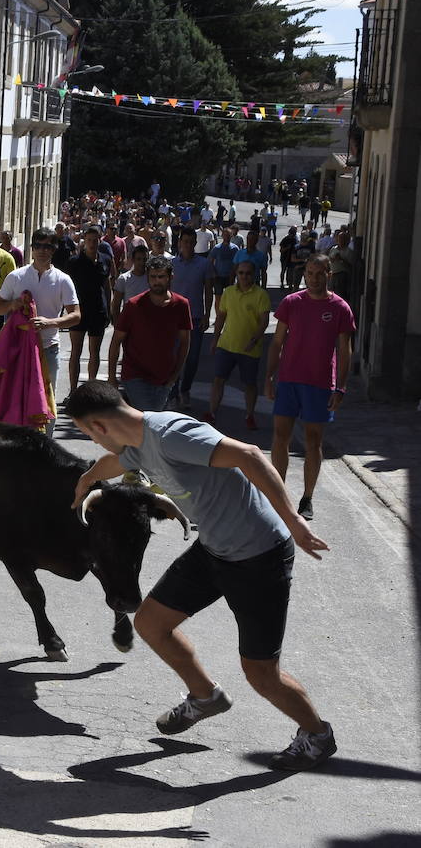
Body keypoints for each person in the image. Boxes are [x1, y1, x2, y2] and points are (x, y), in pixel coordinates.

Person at [66, 380, 337, 772]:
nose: (91, 443)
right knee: (151, 623)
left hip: (259, 556)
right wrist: (87, 477)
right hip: (213, 549)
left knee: (261, 674)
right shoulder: (136, 443)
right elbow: (118, 462)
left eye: (86, 434)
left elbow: (248, 455)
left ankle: (317, 733)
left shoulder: (174, 434)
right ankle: (205, 696)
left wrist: (293, 520)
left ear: (100, 427)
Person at [265, 254, 354, 521]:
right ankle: (277, 494)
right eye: (310, 273)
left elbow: (345, 350)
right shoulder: (292, 303)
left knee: (313, 441)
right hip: (289, 380)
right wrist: (269, 376)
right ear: (304, 275)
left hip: (320, 384)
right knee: (281, 436)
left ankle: (307, 498)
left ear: (330, 274)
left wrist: (341, 387)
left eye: (320, 273)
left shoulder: (340, 308)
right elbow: (277, 342)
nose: (314, 278)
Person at [0, 228, 79, 434]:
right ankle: (14, 447)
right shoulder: (16, 276)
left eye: (47, 246)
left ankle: (44, 449)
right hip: (17, 349)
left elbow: (76, 315)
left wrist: (50, 322)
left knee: (45, 401)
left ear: (54, 249)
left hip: (48, 350)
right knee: (15, 397)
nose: (42, 250)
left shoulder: (63, 279)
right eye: (38, 245)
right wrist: (12, 304)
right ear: (32, 248)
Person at [108, 256, 191, 413]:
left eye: (161, 277)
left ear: (170, 277)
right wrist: (112, 377)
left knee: (149, 427)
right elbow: (116, 341)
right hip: (135, 376)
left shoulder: (181, 305)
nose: (156, 281)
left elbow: (185, 342)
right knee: (150, 420)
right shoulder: (134, 305)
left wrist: (174, 376)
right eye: (153, 277)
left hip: (164, 378)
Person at [207, 261, 271, 430]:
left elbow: (264, 321)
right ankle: (212, 413)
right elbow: (220, 317)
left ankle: (250, 415)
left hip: (250, 350)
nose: (244, 276)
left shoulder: (261, 295)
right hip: (226, 345)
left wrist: (254, 339)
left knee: (250, 384)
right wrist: (215, 340)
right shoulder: (228, 292)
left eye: (247, 273)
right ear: (236, 274)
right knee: (218, 380)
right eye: (241, 273)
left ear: (253, 274)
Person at [64, 225, 113, 401]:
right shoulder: (74, 262)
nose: (92, 243)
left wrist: (110, 308)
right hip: (79, 311)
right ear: (84, 240)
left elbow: (107, 285)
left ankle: (91, 391)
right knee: (76, 351)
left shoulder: (106, 259)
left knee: (95, 352)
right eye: (89, 240)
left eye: (95, 239)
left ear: (100, 240)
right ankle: (72, 391)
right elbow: (66, 287)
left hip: (99, 310)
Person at [171, 228, 214, 408]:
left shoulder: (204, 264)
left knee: (193, 358)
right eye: (185, 241)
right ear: (180, 242)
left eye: (191, 241)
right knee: (173, 358)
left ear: (195, 243)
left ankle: (185, 389)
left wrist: (207, 314)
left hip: (195, 318)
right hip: (172, 319)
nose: (188, 245)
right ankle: (173, 393)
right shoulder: (171, 263)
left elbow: (208, 291)